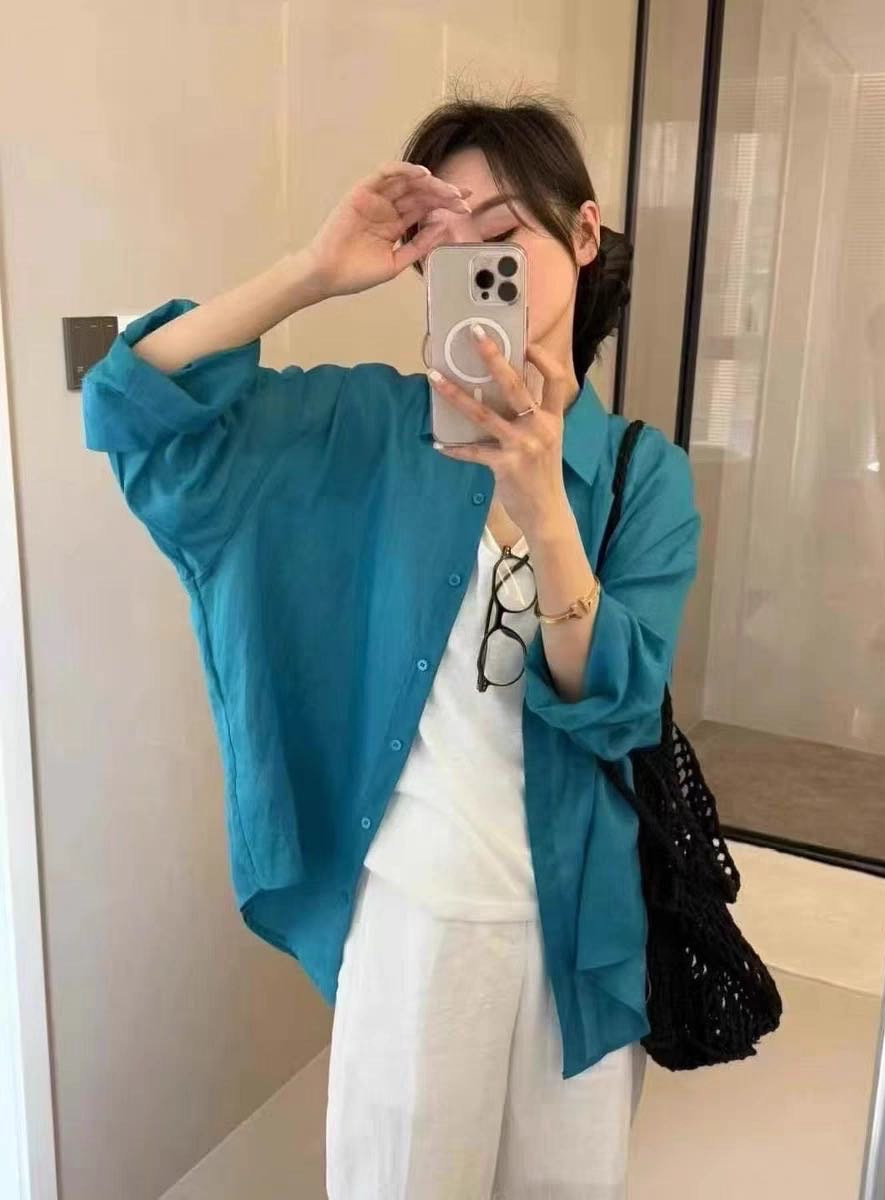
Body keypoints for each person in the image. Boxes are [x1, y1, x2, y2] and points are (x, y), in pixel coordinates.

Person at [81, 88, 701, 1199]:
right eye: (447, 252)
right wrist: (312, 271)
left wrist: (544, 507)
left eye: (503, 233)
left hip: (584, 933)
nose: (480, 268)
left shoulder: (642, 474)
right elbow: (132, 412)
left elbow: (615, 703)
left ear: (584, 233)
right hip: (415, 916)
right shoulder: (368, 429)